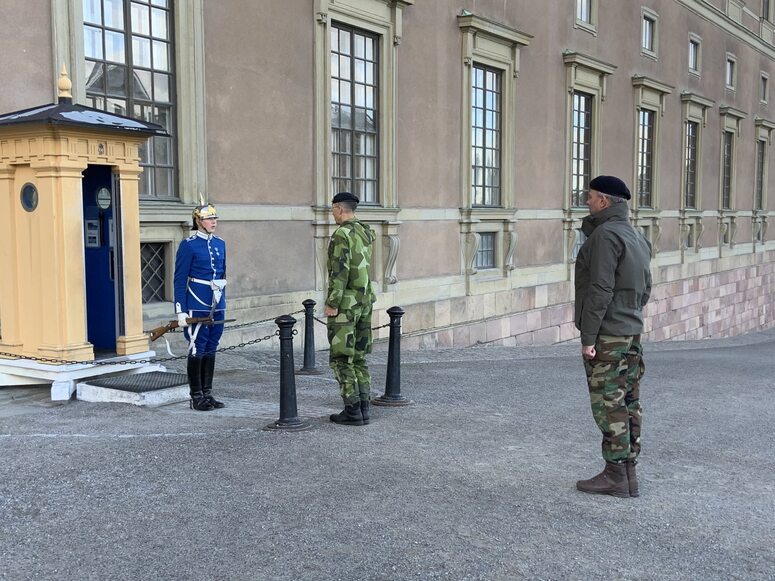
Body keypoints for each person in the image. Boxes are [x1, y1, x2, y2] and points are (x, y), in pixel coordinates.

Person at [574, 175, 652, 498]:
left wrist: (588, 337)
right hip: (631, 332)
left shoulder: (605, 236)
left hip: (608, 334)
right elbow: (646, 288)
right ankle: (628, 471)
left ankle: (615, 474)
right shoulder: (636, 236)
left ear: (604, 201)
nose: (587, 202)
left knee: (609, 402)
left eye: (590, 197)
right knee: (629, 399)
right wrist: (630, 315)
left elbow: (600, 289)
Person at [324, 192, 377, 426]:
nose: (332, 214)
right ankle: (364, 407)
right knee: (359, 357)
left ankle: (352, 410)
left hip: (346, 305)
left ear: (339, 208)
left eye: (333, 210)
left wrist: (332, 303)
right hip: (364, 301)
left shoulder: (341, 234)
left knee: (341, 358)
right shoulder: (365, 232)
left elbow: (339, 272)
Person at [174, 201, 227, 412]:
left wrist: (222, 300)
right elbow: (179, 280)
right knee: (198, 347)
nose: (214, 222)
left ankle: (208, 393)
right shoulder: (188, 245)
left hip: (217, 301)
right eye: (209, 218)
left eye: (215, 218)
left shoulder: (220, 243)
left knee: (212, 346)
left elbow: (222, 274)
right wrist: (180, 310)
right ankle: (196, 396)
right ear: (198, 221)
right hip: (197, 301)